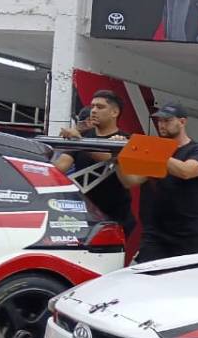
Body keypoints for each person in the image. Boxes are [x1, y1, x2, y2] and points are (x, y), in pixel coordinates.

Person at [118, 102, 198, 262]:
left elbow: (186, 171)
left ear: (182, 122)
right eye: (160, 121)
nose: (161, 125)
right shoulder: (155, 152)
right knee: (148, 282)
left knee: (185, 283)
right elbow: (130, 181)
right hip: (155, 235)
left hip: (188, 237)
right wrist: (117, 158)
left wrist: (150, 150)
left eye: (167, 120)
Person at [53, 90, 136, 235]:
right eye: (92, 107)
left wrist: (79, 142)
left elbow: (110, 160)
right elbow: (60, 167)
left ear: (114, 112)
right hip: (83, 215)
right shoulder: (83, 137)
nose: (94, 111)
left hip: (115, 218)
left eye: (100, 107)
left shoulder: (127, 140)